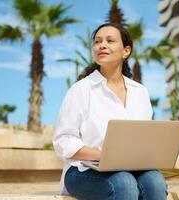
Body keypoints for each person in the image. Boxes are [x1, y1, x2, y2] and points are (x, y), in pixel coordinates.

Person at [53, 23, 167, 200]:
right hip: (83, 170)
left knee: (155, 181)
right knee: (124, 183)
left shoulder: (140, 92)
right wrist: (104, 156)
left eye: (110, 40)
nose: (102, 45)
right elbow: (63, 141)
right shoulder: (81, 89)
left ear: (126, 51)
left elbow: (144, 138)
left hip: (131, 168)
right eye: (98, 41)